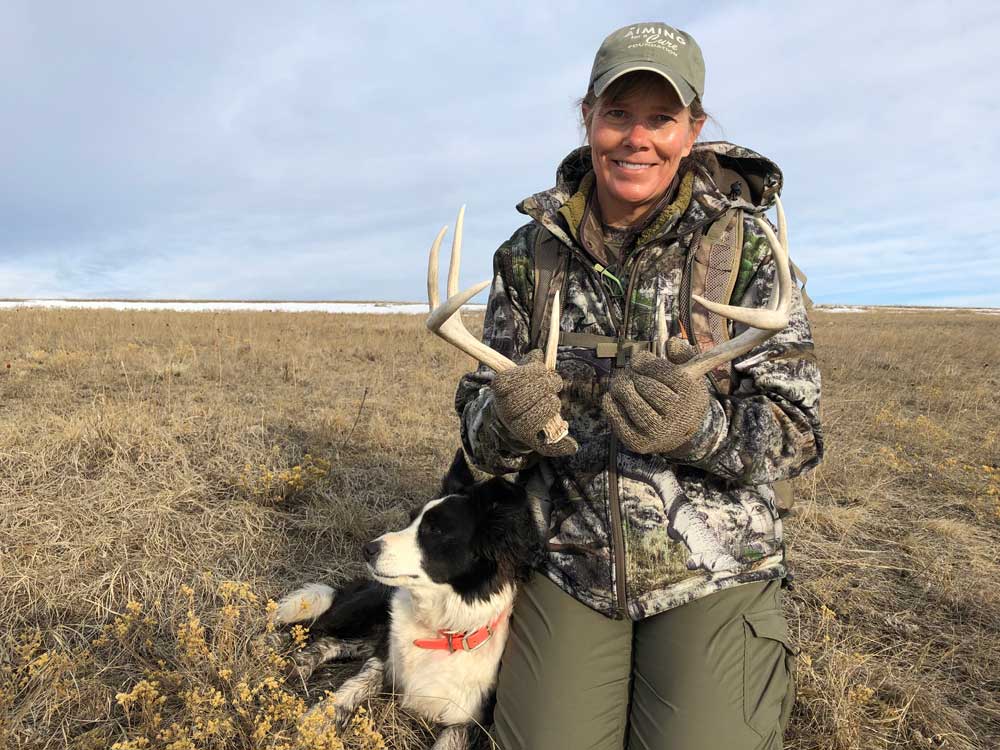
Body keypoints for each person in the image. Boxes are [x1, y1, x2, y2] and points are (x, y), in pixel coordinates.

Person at [454, 21, 823, 750]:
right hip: (569, 559)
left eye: (661, 118)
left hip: (714, 563)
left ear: (693, 130)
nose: (636, 139)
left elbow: (799, 432)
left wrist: (701, 430)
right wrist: (504, 419)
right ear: (587, 114)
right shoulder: (529, 257)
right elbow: (476, 429)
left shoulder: (748, 250)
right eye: (618, 114)